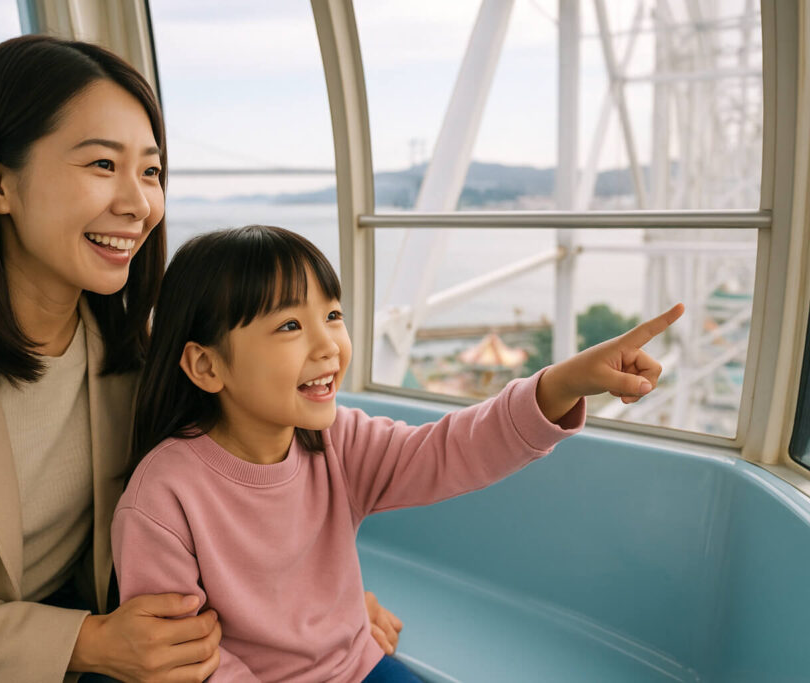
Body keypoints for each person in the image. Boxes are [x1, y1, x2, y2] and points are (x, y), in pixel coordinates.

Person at [0, 37, 400, 682]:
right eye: (103, 165)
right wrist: (91, 643)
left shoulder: (138, 352)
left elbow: (228, 497)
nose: (138, 204)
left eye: (152, 171)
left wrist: (310, 610)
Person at [114, 225, 684, 682]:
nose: (329, 345)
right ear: (206, 366)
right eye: (290, 324)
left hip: (359, 666)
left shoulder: (337, 440)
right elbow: (185, 662)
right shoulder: (164, 497)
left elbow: (450, 451)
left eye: (332, 315)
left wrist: (561, 383)